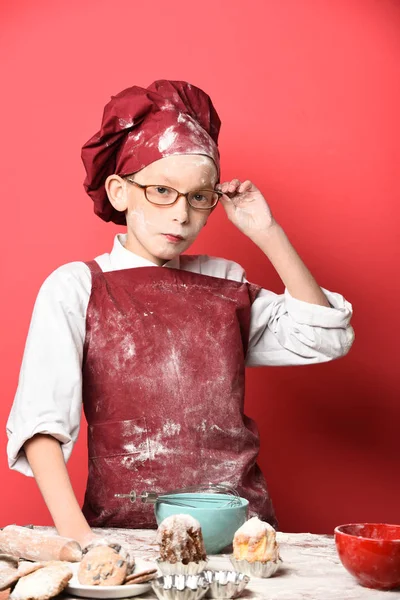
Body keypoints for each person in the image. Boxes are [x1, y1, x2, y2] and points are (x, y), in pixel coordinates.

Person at [6, 80, 354, 549]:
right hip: (124, 534)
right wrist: (80, 540)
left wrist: (267, 232)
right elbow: (42, 425)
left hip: (242, 536)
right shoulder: (77, 287)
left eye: (199, 197)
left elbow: (324, 337)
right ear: (119, 191)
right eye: (161, 191)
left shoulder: (225, 282)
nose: (181, 216)